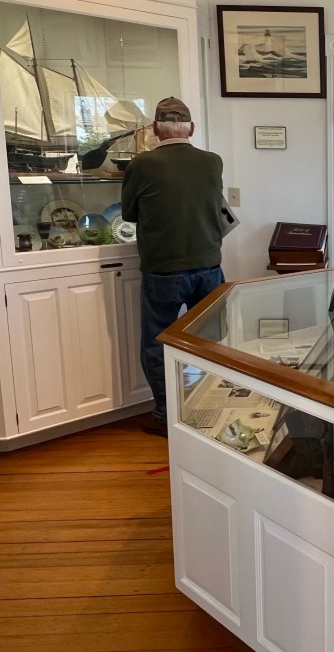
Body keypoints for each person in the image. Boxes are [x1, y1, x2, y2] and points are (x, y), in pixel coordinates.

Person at [121, 96, 226, 437]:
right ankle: (209, 407)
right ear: (191, 128)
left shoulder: (142, 164)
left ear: (155, 129)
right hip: (208, 264)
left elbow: (128, 214)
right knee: (211, 340)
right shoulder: (212, 162)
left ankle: (167, 415)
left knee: (158, 343)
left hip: (163, 268)